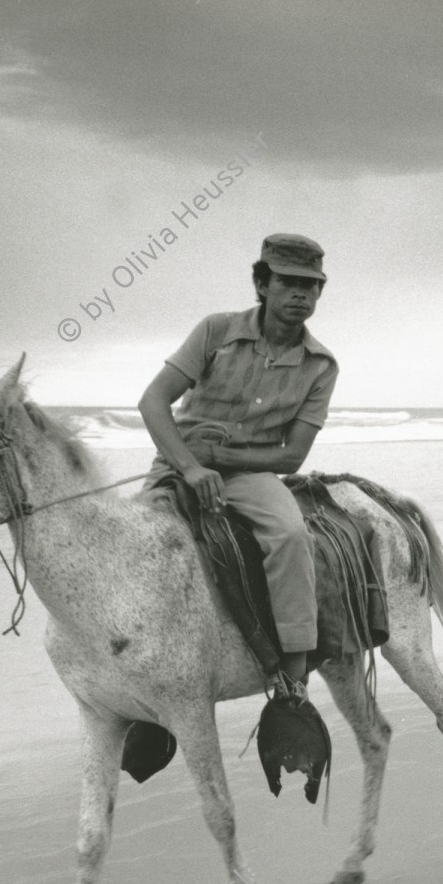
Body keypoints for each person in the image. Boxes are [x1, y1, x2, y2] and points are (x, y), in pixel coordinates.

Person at [138, 234, 338, 699]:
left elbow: (292, 457)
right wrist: (189, 467)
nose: (301, 295)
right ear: (262, 283)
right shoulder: (216, 330)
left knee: (290, 534)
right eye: (288, 282)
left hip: (252, 473)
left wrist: (220, 460)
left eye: (312, 286)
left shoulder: (321, 365)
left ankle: (292, 672)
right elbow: (152, 402)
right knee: (144, 543)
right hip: (180, 459)